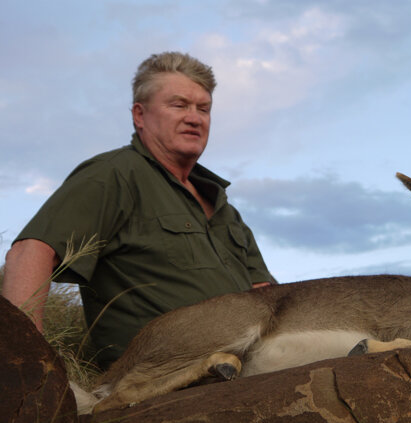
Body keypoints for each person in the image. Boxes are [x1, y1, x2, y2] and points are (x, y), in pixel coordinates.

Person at [2, 52, 276, 368]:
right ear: (139, 115)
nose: (194, 117)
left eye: (204, 109)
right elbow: (30, 252)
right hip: (162, 376)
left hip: (253, 364)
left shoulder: (223, 207)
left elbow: (266, 294)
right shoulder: (114, 174)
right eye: (179, 105)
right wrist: (24, 365)